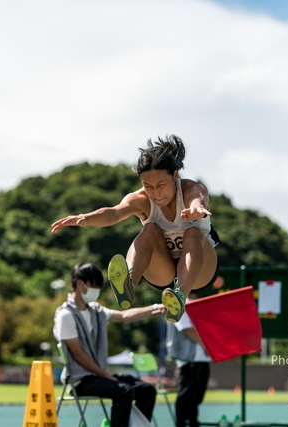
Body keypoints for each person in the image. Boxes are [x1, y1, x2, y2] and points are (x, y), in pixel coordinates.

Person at [51, 135, 220, 322]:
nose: (156, 193)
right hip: (162, 269)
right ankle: (129, 283)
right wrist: (87, 218)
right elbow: (114, 213)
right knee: (150, 230)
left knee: (193, 232)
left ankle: (180, 296)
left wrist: (197, 208)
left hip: (200, 271)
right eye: (148, 186)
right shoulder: (140, 199)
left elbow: (199, 198)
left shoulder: (191, 189)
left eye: (161, 185)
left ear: (175, 175)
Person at [53, 262, 165, 427]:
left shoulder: (96, 310)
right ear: (79, 283)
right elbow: (78, 354)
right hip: (80, 380)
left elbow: (124, 316)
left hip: (99, 375)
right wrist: (106, 375)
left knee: (146, 390)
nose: (96, 290)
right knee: (123, 391)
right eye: (94, 285)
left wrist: (156, 308)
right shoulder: (66, 316)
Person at [167, 293, 211, 427]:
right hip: (188, 359)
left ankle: (192, 422)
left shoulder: (201, 303)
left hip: (203, 358)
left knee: (197, 395)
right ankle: (181, 423)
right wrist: (207, 343)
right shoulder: (178, 302)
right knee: (186, 394)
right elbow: (186, 329)